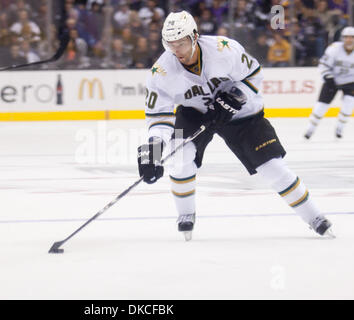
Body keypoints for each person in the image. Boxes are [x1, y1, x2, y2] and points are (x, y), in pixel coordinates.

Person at [137, 11, 333, 241]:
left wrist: (236, 96)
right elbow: (159, 118)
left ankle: (315, 217)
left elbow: (254, 75)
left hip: (242, 113)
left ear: (195, 36)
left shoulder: (224, 49)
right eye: (170, 44)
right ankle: (186, 214)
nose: (176, 50)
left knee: (272, 167)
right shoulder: (160, 72)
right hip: (194, 113)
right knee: (179, 160)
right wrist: (153, 152)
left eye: (181, 43)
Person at [304, 26, 354, 139]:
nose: (349, 40)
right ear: (342, 38)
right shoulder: (334, 48)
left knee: (349, 104)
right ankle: (310, 129)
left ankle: (340, 128)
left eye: (352, 37)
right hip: (332, 79)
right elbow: (323, 65)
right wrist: (328, 78)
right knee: (321, 106)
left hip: (350, 81)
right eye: (346, 37)